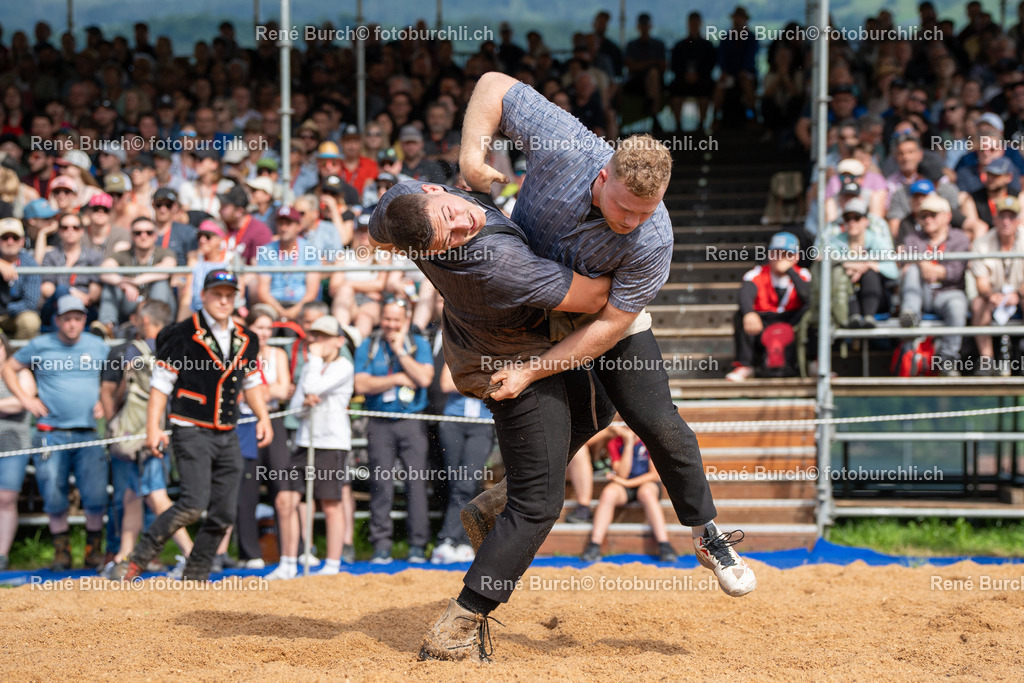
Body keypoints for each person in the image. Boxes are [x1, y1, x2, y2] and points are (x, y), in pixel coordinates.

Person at [459, 71, 756, 591]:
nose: (632, 221)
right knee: (575, 417)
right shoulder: (569, 144)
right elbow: (492, 85)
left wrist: (532, 370)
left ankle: (707, 533)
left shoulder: (654, 235)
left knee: (656, 419)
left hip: (605, 315)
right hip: (532, 300)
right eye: (624, 207)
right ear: (602, 175)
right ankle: (502, 501)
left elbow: (613, 325)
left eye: (646, 210)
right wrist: (470, 158)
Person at [370, 179, 612, 660]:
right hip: (506, 365)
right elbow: (594, 298)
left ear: (428, 187)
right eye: (449, 237)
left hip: (515, 345)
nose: (463, 224)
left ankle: (496, 501)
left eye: (450, 213)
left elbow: (379, 231)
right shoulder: (496, 262)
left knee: (599, 406)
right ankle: (458, 624)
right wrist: (639, 256)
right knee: (539, 503)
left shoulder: (401, 205)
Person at [108, 270, 272, 581]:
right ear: (205, 296)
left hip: (228, 430)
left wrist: (263, 417)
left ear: (235, 298)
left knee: (224, 511)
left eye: (229, 295)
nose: (223, 300)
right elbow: (161, 385)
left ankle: (196, 571)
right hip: (190, 427)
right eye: (217, 294)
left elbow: (250, 382)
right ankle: (136, 560)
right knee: (193, 504)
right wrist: (153, 428)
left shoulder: (246, 338)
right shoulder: (181, 333)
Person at [1, 295, 109, 570]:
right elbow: (9, 368)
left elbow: (114, 377)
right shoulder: (40, 345)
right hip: (51, 432)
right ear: (57, 320)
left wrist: (108, 401)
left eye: (77, 318)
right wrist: (27, 400)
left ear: (84, 320)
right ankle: (62, 552)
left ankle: (93, 551)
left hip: (88, 432)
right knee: (53, 493)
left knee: (95, 495)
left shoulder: (98, 346)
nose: (72, 324)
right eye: (67, 318)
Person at [100, 299, 194, 576]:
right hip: (162, 432)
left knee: (156, 496)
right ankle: (125, 557)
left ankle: (192, 554)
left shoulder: (126, 351)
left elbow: (110, 392)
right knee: (132, 495)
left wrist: (113, 426)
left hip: (136, 436)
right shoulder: (180, 350)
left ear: (144, 321)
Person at [269, 315, 358, 579]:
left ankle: (332, 565)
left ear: (339, 341)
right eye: (315, 335)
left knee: (331, 503)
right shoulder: (313, 364)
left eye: (325, 336)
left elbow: (311, 387)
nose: (317, 341)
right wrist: (308, 396)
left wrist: (314, 363)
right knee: (285, 499)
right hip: (304, 441)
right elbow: (297, 407)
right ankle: (287, 563)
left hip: (331, 442)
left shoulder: (343, 366)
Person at [353, 300, 435, 564]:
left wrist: (400, 352)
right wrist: (397, 378)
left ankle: (418, 545)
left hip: (411, 420)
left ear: (406, 320)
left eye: (396, 320)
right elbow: (361, 383)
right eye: (387, 319)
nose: (390, 325)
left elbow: (424, 378)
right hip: (379, 421)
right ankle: (381, 546)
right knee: (381, 484)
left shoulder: (417, 343)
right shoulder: (369, 344)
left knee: (416, 483)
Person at [234, 305, 291, 568]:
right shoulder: (240, 353)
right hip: (246, 423)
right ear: (249, 328)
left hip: (274, 420)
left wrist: (255, 392)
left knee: (282, 484)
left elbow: (284, 388)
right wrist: (263, 392)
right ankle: (250, 552)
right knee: (247, 489)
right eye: (260, 328)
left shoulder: (278, 354)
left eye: (269, 328)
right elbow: (242, 391)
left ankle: (292, 550)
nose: (265, 333)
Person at [430, 360, 495, 565]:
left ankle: (448, 539)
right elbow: (446, 384)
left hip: (482, 424)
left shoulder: (494, 356)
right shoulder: (458, 353)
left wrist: (465, 380)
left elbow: (496, 388)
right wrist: (481, 383)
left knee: (467, 483)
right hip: (454, 423)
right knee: (455, 484)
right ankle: (462, 540)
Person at [580, 428, 677, 563]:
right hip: (624, 484)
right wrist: (629, 444)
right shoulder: (615, 442)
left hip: (646, 483)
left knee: (647, 493)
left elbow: (654, 475)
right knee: (608, 493)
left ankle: (664, 544)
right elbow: (622, 474)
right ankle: (594, 544)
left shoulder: (650, 439)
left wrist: (627, 483)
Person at [898, 194, 970, 376]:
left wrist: (925, 264)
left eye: (933, 215)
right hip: (920, 293)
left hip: (949, 292)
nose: (928, 219)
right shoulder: (913, 238)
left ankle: (947, 360)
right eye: (923, 216)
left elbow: (955, 272)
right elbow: (905, 260)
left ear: (947, 216)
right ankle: (909, 315)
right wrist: (922, 264)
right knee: (912, 271)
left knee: (958, 306)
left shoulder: (960, 238)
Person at [726, 232, 811, 381]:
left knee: (811, 313)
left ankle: (813, 362)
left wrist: (790, 271)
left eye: (786, 254)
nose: (781, 259)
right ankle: (744, 365)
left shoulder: (803, 274)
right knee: (742, 314)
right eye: (776, 253)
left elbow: (808, 297)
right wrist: (749, 313)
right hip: (764, 322)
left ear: (796, 257)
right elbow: (745, 295)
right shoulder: (756, 273)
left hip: (792, 323)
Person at [970, 196, 1024, 375]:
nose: (1006, 221)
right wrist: (991, 295)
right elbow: (981, 283)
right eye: (1002, 216)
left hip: (1020, 293)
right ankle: (987, 361)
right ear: (995, 219)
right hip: (993, 295)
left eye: (1011, 217)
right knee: (978, 304)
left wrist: (1017, 294)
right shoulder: (981, 243)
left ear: (1018, 220)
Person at [97, 216, 178, 336]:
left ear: (155, 235)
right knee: (111, 285)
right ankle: (106, 328)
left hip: (156, 302)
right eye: (138, 233)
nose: (143, 236)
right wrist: (123, 283)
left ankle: (159, 330)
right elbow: (103, 271)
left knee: (161, 284)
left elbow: (168, 267)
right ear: (132, 235)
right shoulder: (123, 254)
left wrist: (135, 281)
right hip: (131, 302)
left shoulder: (164, 252)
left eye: (149, 233)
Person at [0, 331, 35, 571]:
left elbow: (24, 399)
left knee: (6, 499)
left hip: (14, 444)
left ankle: (1, 555)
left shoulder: (20, 371)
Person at [254, 206, 321, 322]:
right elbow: (263, 291)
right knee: (260, 318)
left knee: (312, 315)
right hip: (274, 304)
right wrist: (280, 311)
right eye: (281, 224)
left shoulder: (310, 250)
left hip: (301, 303)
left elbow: (312, 292)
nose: (284, 228)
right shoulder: (266, 250)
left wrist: (294, 310)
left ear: (299, 226)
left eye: (288, 224)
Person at [0, 217, 41, 339]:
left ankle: (16, 357)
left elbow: (31, 303)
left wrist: (5, 309)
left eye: (15, 237)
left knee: (31, 322)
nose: (10, 242)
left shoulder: (30, 263)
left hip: (15, 315)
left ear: (22, 241)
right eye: (5, 238)